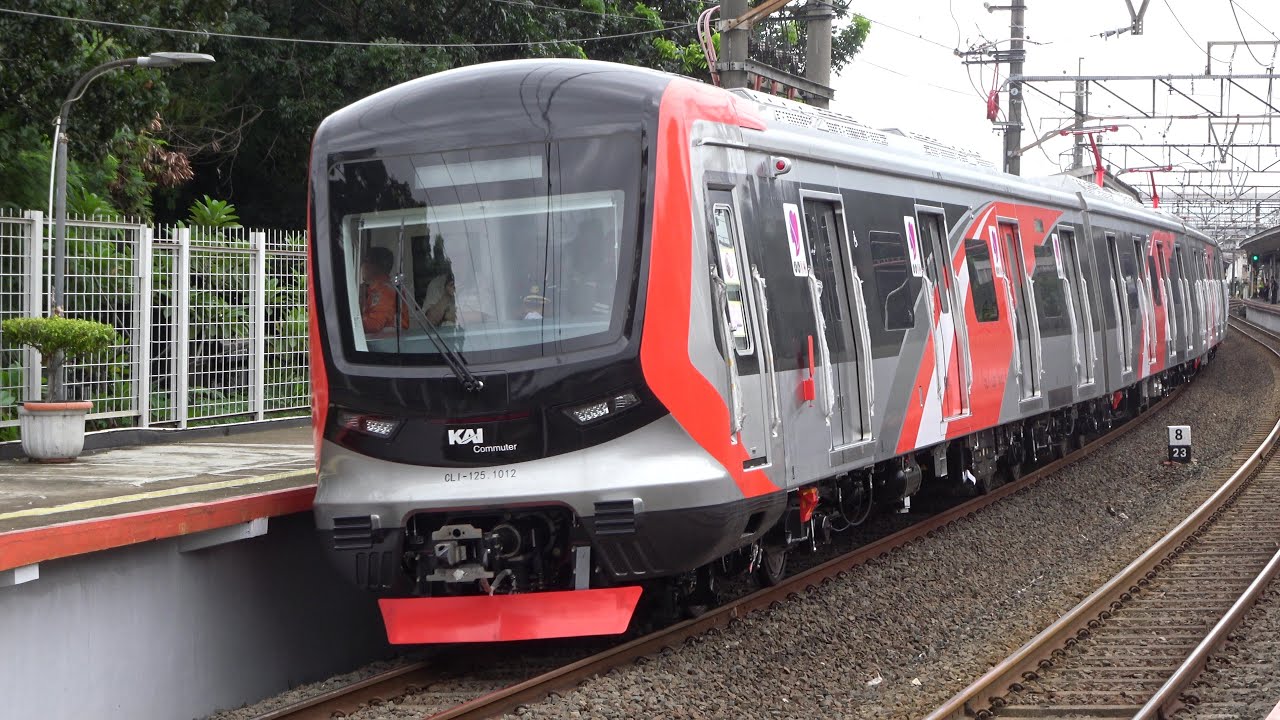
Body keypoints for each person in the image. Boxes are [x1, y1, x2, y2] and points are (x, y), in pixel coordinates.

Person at [359, 246, 410, 334]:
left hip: (388, 344)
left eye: (366, 261)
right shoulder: (375, 289)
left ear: (375, 266)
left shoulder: (385, 291)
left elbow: (374, 324)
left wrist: (351, 319)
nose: (362, 265)